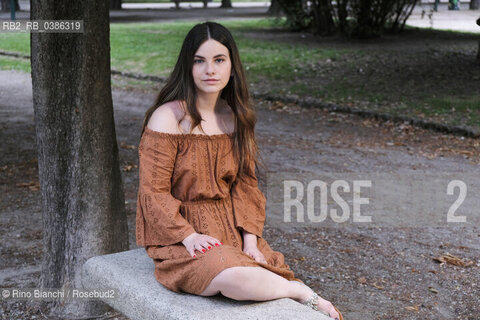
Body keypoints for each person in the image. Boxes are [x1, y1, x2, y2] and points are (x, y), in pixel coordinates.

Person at [135, 21, 343, 320]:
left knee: (255, 265)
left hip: (230, 229)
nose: (210, 70)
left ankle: (288, 287)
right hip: (181, 239)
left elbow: (245, 186)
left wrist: (250, 240)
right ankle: (300, 292)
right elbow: (152, 191)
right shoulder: (167, 117)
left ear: (232, 68)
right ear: (188, 66)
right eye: (199, 61)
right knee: (234, 279)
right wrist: (189, 235)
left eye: (219, 60)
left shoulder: (234, 118)